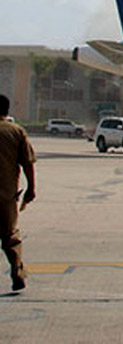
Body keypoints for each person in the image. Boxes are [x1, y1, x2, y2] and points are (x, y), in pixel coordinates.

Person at [0, 95, 35, 292]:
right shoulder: (16, 131)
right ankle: (17, 271)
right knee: (10, 236)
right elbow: (28, 163)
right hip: (7, 194)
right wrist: (31, 188)